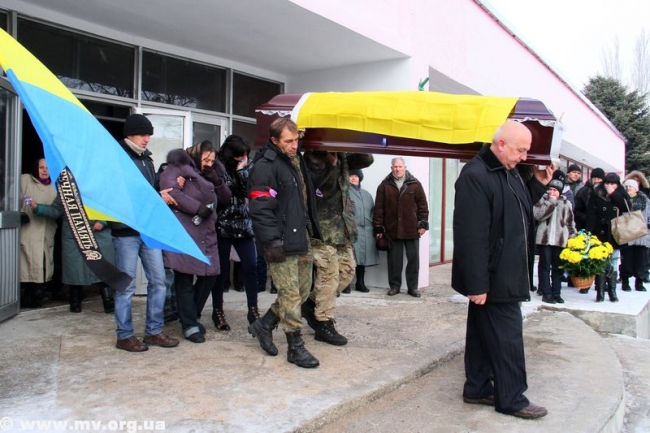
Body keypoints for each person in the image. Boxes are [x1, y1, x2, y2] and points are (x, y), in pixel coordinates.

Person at [452, 120, 551, 419]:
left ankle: (477, 388)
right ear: (501, 144)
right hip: (494, 276)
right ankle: (512, 398)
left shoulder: (508, 171)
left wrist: (538, 184)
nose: (524, 156)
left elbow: (516, 209)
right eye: (521, 150)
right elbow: (471, 235)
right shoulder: (475, 175)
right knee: (508, 338)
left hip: (505, 270)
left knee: (482, 335)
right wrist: (476, 284)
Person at [247, 117, 322, 368]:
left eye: (296, 140)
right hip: (279, 240)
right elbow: (260, 208)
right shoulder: (265, 166)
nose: (294, 145)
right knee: (289, 293)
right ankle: (295, 346)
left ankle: (264, 324)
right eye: (288, 141)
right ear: (274, 140)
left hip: (300, 236)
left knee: (302, 290)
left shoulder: (295, 160)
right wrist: (271, 241)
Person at [110, 114, 179, 352]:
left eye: (149, 134)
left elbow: (149, 190)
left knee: (159, 281)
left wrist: (163, 192)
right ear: (129, 134)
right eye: (142, 134)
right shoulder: (116, 157)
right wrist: (156, 196)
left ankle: (154, 332)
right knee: (126, 286)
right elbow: (121, 193)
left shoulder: (147, 160)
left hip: (148, 230)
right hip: (125, 231)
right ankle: (124, 336)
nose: (146, 139)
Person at [160, 140, 230, 343]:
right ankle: (190, 325)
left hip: (206, 231)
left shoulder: (212, 172)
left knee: (211, 274)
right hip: (184, 230)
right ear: (196, 154)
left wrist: (217, 181)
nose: (209, 163)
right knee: (184, 277)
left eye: (212, 160)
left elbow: (226, 198)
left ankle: (190, 314)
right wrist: (196, 207)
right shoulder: (178, 167)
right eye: (205, 159)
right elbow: (170, 191)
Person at [301, 150, 374, 346]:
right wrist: (328, 163)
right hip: (321, 229)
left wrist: (346, 145)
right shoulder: (312, 159)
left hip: (342, 229)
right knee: (329, 276)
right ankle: (323, 322)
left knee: (347, 272)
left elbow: (367, 158)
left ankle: (310, 303)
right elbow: (314, 186)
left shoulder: (343, 157)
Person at [31, 195, 116, 313]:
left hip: (98, 234)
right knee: (75, 271)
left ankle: (109, 303)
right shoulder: (66, 189)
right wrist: (37, 207)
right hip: (73, 235)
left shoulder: (101, 188)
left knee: (103, 269)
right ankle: (75, 303)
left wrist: (103, 222)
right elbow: (56, 210)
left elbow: (113, 208)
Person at [211, 134, 260, 329]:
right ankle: (217, 311)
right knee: (221, 271)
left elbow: (249, 191)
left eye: (245, 155)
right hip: (222, 222)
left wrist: (242, 172)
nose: (243, 158)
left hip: (244, 222)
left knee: (251, 265)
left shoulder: (248, 166)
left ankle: (253, 309)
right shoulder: (216, 166)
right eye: (239, 155)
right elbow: (224, 194)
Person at [373, 157, 429, 297]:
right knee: (394, 261)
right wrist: (379, 227)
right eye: (395, 167)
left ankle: (413, 288)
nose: (397, 169)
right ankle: (394, 286)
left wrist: (422, 224)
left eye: (400, 166)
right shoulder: (384, 186)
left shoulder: (415, 184)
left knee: (413, 260)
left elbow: (423, 206)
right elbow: (378, 208)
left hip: (412, 229)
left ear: (405, 167)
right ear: (391, 168)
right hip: (392, 229)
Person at [585, 172, 631, 302]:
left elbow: (627, 208)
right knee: (601, 262)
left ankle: (612, 291)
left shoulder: (621, 193)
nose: (609, 186)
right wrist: (588, 232)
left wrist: (613, 194)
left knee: (613, 262)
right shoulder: (596, 192)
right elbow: (591, 213)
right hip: (600, 232)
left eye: (613, 184)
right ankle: (600, 292)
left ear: (617, 184)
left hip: (615, 232)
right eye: (607, 183)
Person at [533, 171, 577, 304]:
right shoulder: (543, 200)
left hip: (559, 240)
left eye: (555, 190)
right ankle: (546, 293)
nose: (552, 192)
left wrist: (573, 236)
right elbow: (538, 215)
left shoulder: (566, 203)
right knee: (545, 266)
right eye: (551, 189)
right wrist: (550, 202)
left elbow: (570, 222)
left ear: (560, 191)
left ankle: (556, 292)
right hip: (544, 239)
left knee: (558, 267)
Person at [19, 158, 57, 308]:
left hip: (46, 231)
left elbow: (57, 211)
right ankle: (25, 298)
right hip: (27, 231)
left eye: (48, 168)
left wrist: (37, 207)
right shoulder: (24, 180)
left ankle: (35, 298)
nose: (45, 170)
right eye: (41, 167)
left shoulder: (55, 186)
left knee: (41, 266)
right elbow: (10, 199)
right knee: (25, 266)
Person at [348, 169, 379, 293]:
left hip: (366, 231)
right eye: (351, 175)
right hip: (352, 229)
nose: (353, 178)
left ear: (360, 178)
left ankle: (360, 283)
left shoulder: (367, 195)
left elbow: (373, 212)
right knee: (349, 257)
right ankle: (345, 284)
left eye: (356, 176)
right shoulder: (344, 192)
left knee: (362, 258)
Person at [619, 179, 649, 292]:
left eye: (630, 186)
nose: (628, 188)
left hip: (641, 234)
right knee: (626, 260)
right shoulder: (622, 200)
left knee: (641, 261)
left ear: (636, 188)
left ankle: (639, 282)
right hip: (626, 234)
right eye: (626, 187)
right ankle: (625, 281)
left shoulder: (645, 200)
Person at [574, 168, 605, 232]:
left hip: (602, 228)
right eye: (594, 178)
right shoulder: (583, 192)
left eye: (599, 178)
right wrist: (588, 219)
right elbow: (576, 210)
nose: (596, 181)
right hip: (586, 227)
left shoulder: (605, 192)